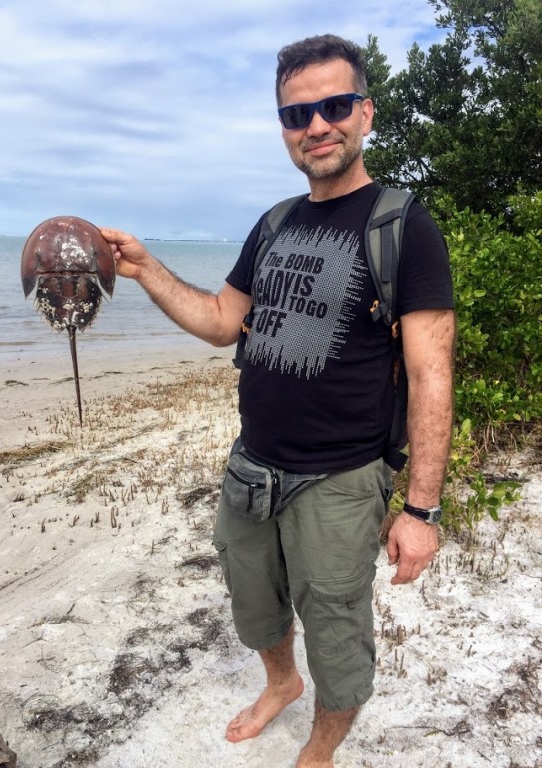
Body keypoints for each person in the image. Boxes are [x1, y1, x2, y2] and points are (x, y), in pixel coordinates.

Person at [100, 33, 455, 768]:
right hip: (251, 469)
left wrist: (420, 510)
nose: (315, 126)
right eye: (297, 115)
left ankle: (322, 748)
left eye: (332, 107)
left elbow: (432, 375)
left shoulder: (403, 226)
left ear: (365, 114)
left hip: (341, 480)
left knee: (337, 630)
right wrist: (145, 270)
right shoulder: (275, 222)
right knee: (255, 606)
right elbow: (221, 321)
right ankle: (281, 683)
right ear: (284, 128)